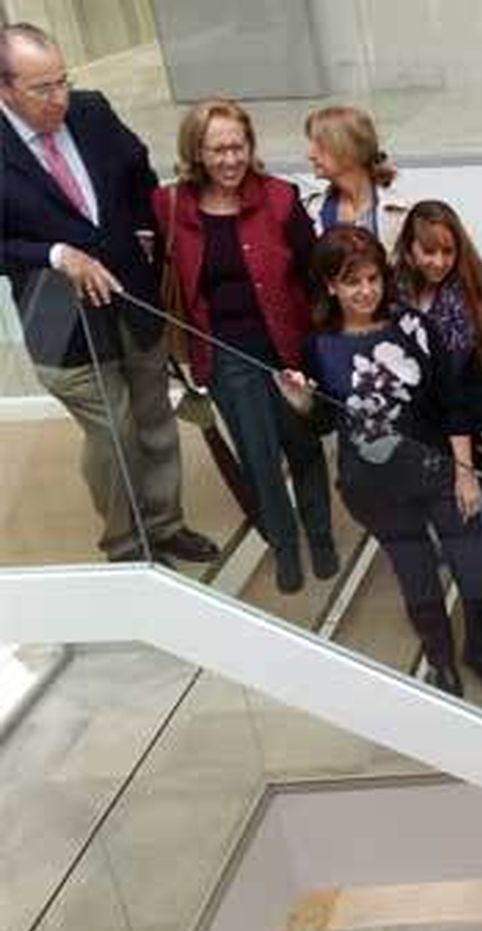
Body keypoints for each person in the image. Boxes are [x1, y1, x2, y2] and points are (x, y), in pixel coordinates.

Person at [0, 23, 218, 566]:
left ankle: (166, 526)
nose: (60, 99)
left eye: (63, 81)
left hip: (131, 295)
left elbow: (136, 171)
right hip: (57, 317)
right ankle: (125, 546)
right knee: (114, 431)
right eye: (42, 89)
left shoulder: (91, 110)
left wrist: (144, 229)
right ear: (5, 89)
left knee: (154, 419)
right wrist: (53, 255)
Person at [276, 226, 482, 700]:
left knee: (476, 572)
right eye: (352, 282)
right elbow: (323, 423)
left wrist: (466, 474)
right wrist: (301, 403)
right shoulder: (319, 347)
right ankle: (440, 661)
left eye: (373, 279)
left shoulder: (414, 326)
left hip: (438, 472)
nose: (366, 291)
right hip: (374, 488)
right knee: (418, 581)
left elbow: (452, 403)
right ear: (331, 286)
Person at [151, 98, 334, 593]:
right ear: (196, 153)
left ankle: (320, 535)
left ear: (250, 147)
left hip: (287, 344)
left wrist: (322, 346)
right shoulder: (171, 206)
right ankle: (285, 544)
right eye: (217, 150)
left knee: (303, 445)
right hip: (226, 353)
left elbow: (315, 272)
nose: (230, 159)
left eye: (238, 147)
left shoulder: (280, 197)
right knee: (258, 455)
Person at [394, 200, 482, 653]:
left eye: (447, 252)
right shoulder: (397, 297)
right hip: (435, 434)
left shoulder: (476, 293)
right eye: (428, 251)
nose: (438, 262)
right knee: (468, 535)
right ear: (410, 249)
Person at [302, 105, 408, 248]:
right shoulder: (308, 211)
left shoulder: (401, 214)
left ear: (349, 149)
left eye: (320, 146)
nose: (311, 155)